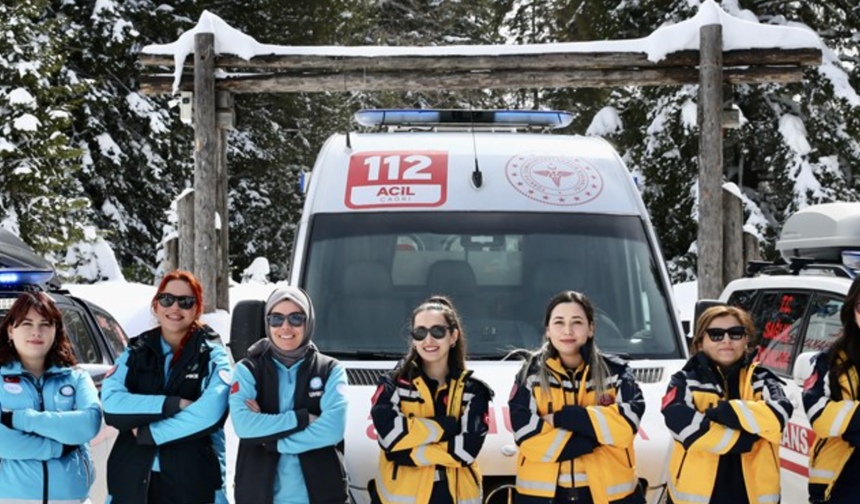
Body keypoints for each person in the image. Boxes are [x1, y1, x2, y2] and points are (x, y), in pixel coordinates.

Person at [102, 270, 231, 504]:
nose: (175, 307)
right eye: (167, 299)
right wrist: (173, 404)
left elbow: (211, 412)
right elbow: (111, 405)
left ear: (197, 308)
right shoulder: (136, 351)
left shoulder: (212, 354)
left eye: (186, 302)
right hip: (132, 483)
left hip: (193, 485)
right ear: (156, 305)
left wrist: (149, 432)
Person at [509, 290, 645, 504]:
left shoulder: (617, 373)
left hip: (609, 497)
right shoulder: (530, 375)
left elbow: (627, 424)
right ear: (548, 330)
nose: (568, 330)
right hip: (543, 498)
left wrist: (562, 419)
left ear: (591, 328)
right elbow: (526, 435)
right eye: (559, 322)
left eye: (577, 322)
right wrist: (595, 435)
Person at [230, 286, 349, 504]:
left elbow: (332, 429)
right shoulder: (248, 369)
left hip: (322, 495)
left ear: (309, 321)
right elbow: (244, 426)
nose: (285, 326)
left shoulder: (330, 369)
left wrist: (273, 442)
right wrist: (303, 418)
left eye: (296, 318)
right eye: (276, 319)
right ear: (267, 323)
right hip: (258, 496)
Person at [662, 305, 791, 504]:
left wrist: (727, 412)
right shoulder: (684, 380)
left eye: (736, 333)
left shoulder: (762, 379)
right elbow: (683, 426)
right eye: (715, 334)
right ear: (700, 342)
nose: (726, 340)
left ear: (746, 340)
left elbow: (779, 414)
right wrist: (747, 437)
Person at [371, 295, 493, 504]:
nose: (428, 340)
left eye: (438, 331)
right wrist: (446, 427)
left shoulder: (474, 391)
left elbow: (466, 450)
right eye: (420, 333)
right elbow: (390, 436)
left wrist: (405, 455)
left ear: (453, 336)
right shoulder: (392, 384)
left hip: (456, 497)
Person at [0, 292, 102, 504]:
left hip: (73, 499)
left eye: (45, 324)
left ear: (56, 331)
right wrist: (58, 446)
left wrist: (20, 419)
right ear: (11, 330)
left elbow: (88, 424)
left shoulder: (76, 377)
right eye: (27, 323)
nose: (36, 331)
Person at [803, 275, 860, 503]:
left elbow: (834, 416)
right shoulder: (831, 361)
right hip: (841, 486)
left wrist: (848, 421)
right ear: (851, 310)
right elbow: (819, 415)